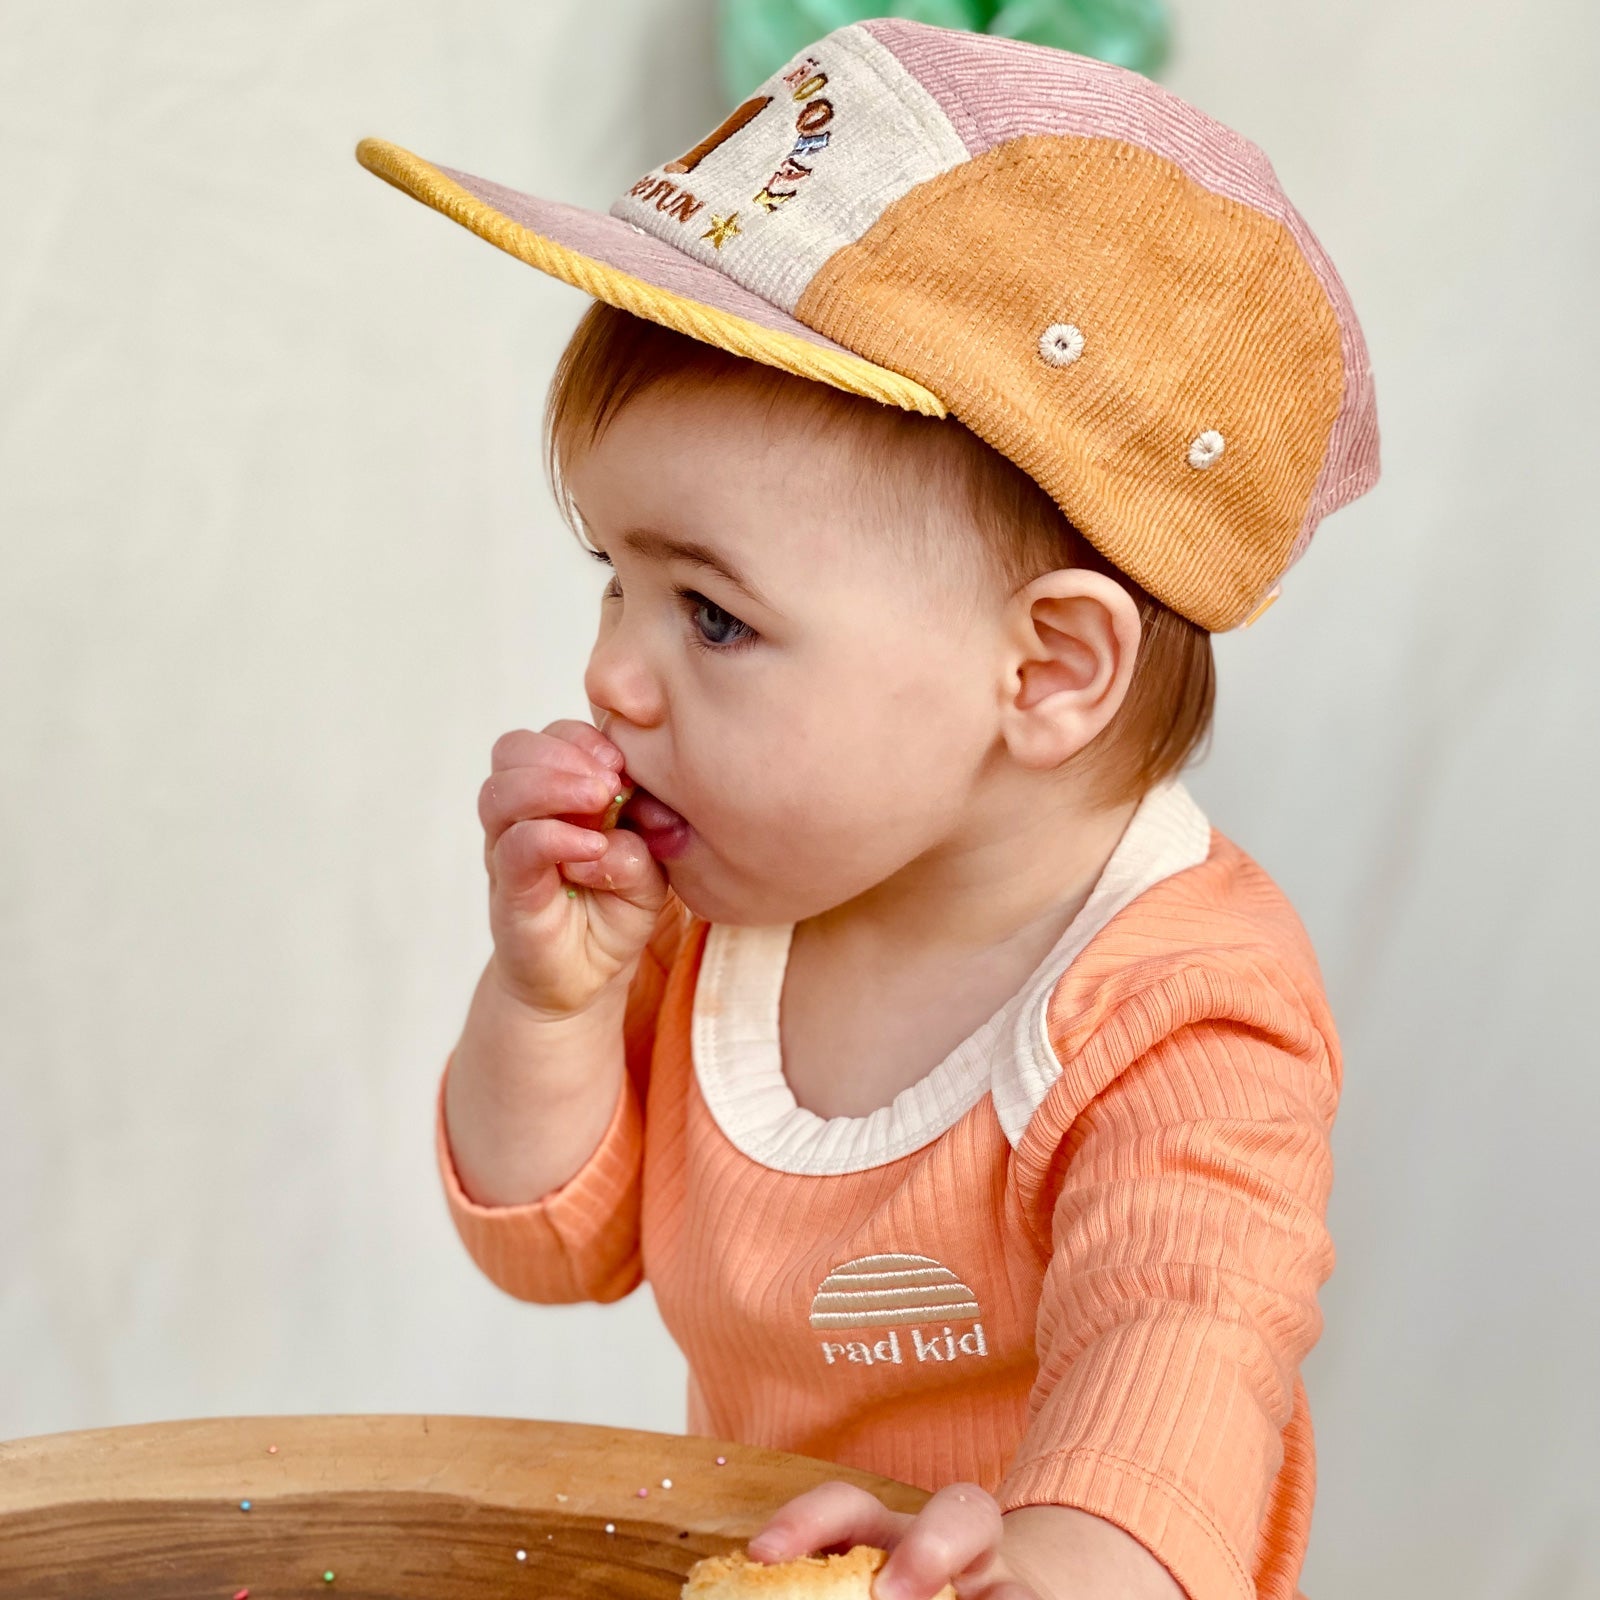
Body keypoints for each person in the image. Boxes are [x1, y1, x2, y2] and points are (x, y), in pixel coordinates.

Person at [356, 18, 1379, 1600]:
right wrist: (548, 1004)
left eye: (710, 617)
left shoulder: (1181, 1011)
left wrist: (1058, 1563)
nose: (612, 678)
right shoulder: (734, 892)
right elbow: (548, 1248)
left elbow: (1187, 1343)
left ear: (1046, 671)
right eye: (612, 582)